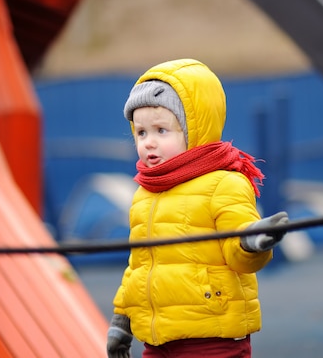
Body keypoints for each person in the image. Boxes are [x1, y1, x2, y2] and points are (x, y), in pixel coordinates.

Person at [107, 58, 289, 358]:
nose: (149, 143)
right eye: (141, 133)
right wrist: (122, 321)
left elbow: (239, 252)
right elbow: (140, 266)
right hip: (158, 340)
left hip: (211, 336)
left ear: (195, 129)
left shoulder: (223, 183)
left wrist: (253, 241)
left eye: (161, 131)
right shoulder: (145, 193)